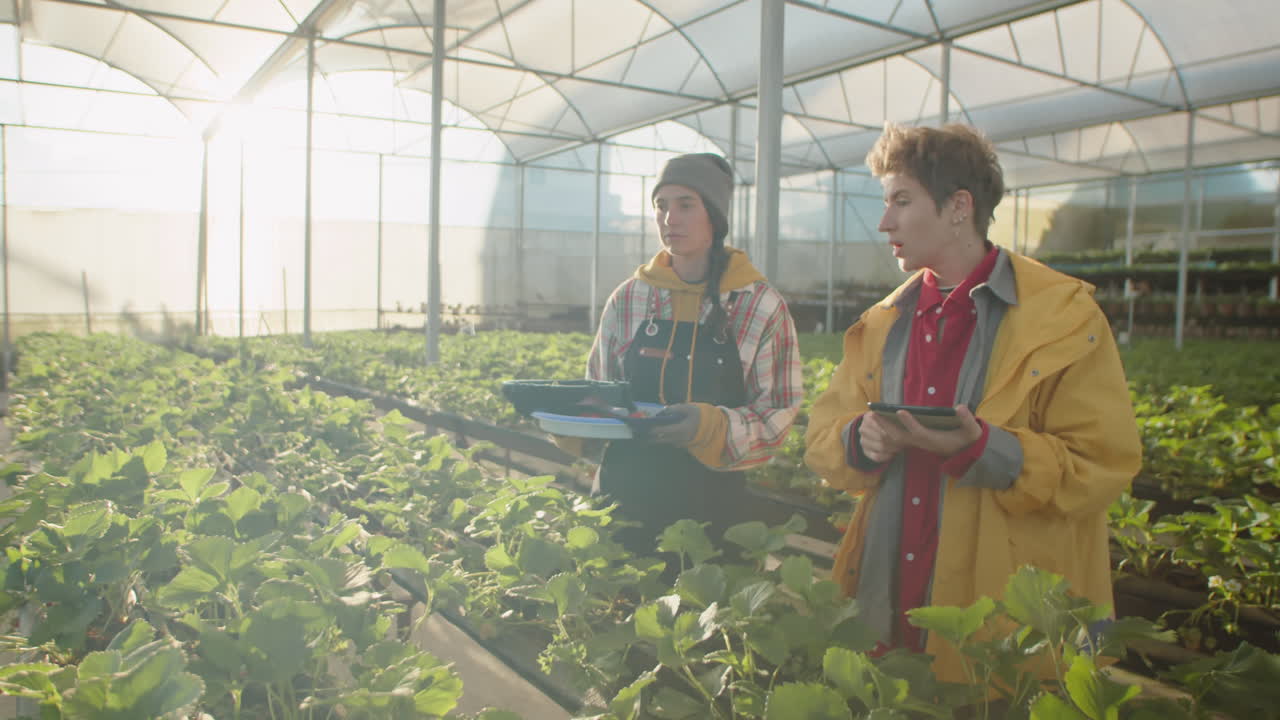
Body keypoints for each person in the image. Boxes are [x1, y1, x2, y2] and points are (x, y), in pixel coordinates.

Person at [803, 124, 1141, 684]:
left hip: (1005, 621)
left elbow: (1103, 463)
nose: (884, 221)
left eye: (901, 201)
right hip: (889, 596)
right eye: (885, 203)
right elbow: (823, 436)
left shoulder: (1064, 317)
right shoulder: (884, 323)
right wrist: (858, 439)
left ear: (959, 206)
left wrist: (988, 449)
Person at [583, 152, 803, 560]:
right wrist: (572, 420)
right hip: (624, 500)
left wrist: (710, 427)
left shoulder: (758, 305)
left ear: (715, 216)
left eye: (686, 204)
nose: (670, 218)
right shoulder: (630, 297)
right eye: (661, 206)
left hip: (712, 512)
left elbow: (778, 412)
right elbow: (599, 388)